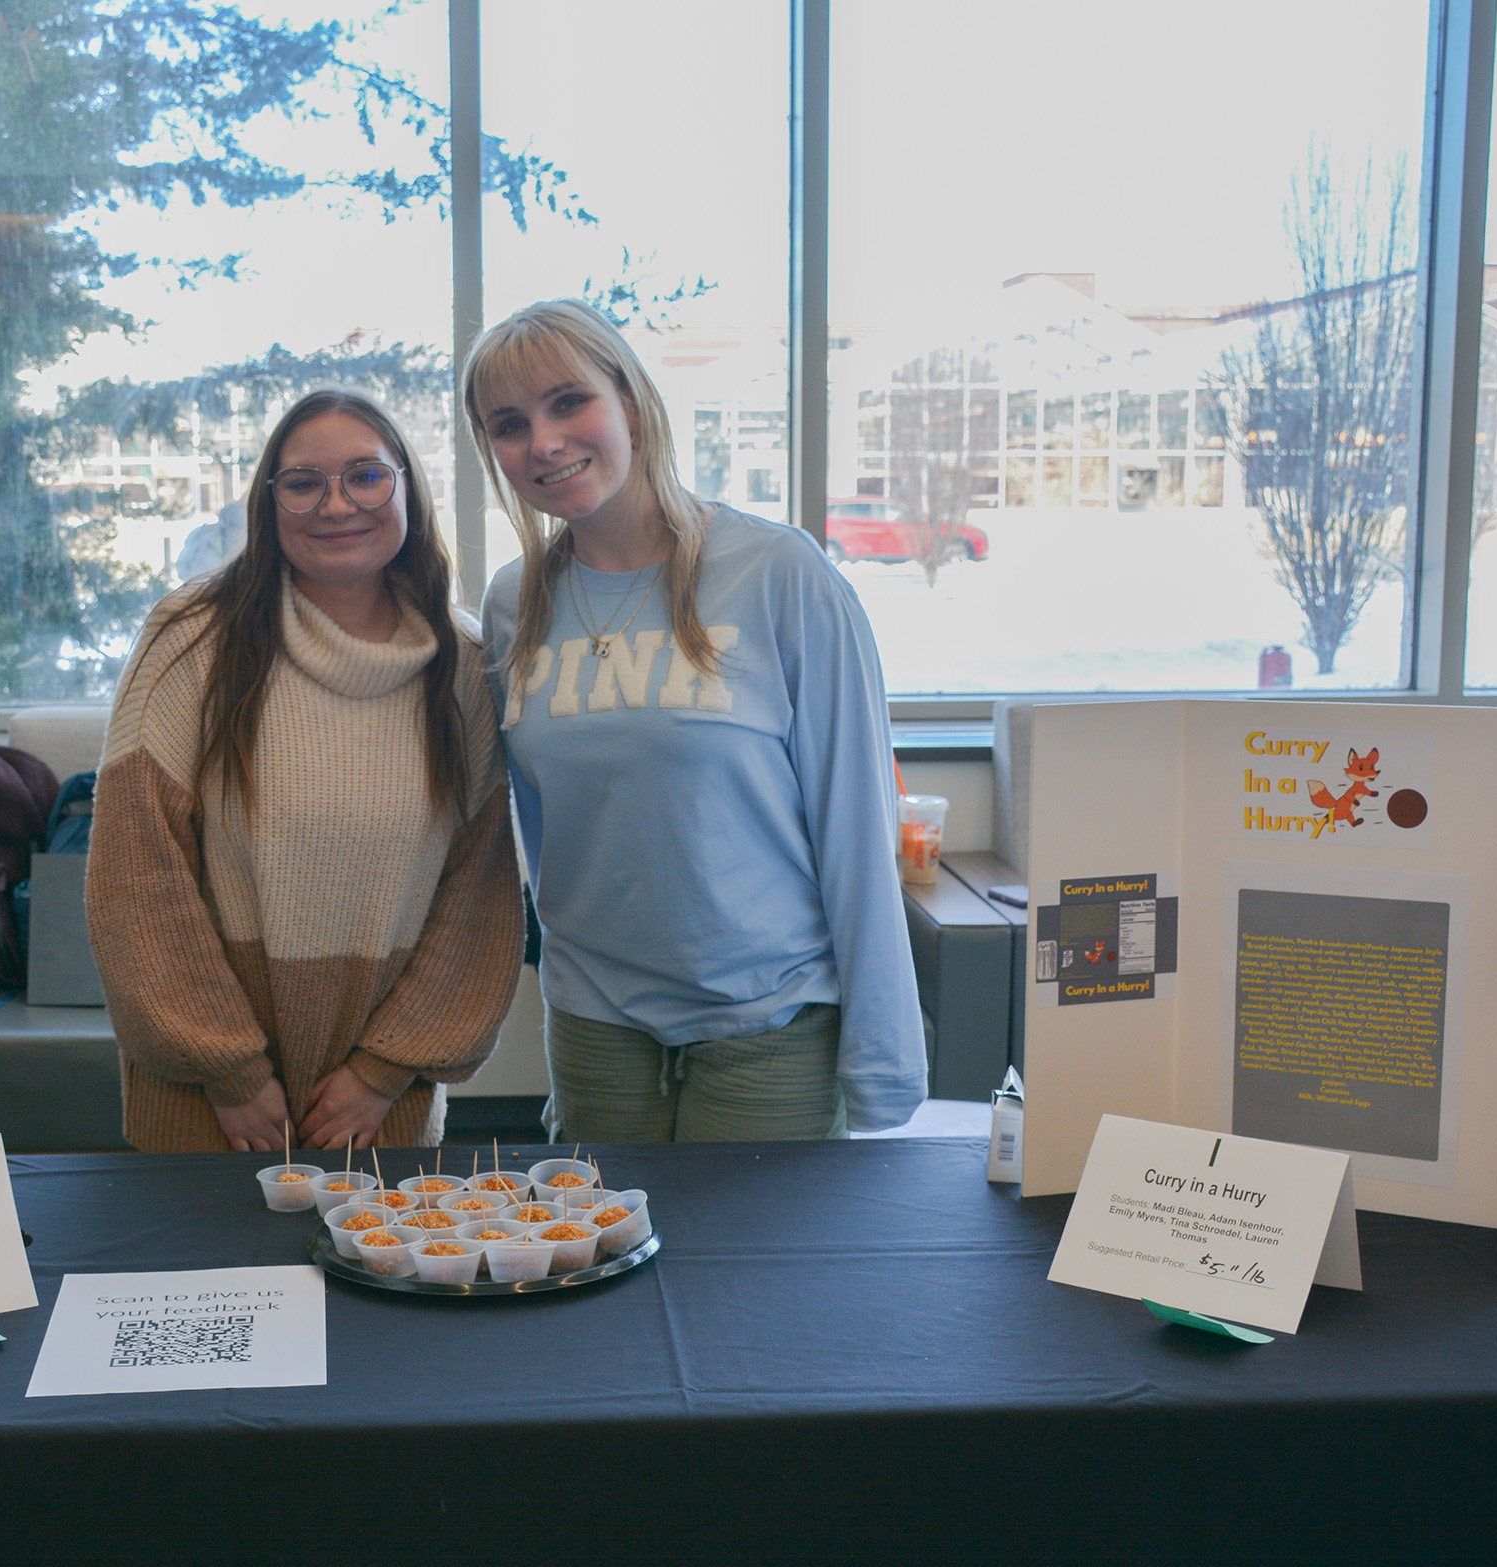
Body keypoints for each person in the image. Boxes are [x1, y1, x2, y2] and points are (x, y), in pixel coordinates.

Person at [463, 299, 923, 1142]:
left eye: (570, 401)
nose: (545, 442)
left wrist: (885, 1064)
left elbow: (856, 826)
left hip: (770, 1024)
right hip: (596, 1024)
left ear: (631, 402)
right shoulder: (511, 602)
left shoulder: (779, 574)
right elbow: (541, 830)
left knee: (753, 1275)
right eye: (510, 424)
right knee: (599, 1273)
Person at [87, 389, 523, 1152]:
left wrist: (384, 1070)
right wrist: (229, 1068)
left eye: (365, 476)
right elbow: (135, 872)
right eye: (302, 482)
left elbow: (478, 902)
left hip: (378, 1111)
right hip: (209, 1108)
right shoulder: (191, 640)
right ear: (269, 502)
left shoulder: (465, 665)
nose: (336, 504)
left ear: (408, 490)